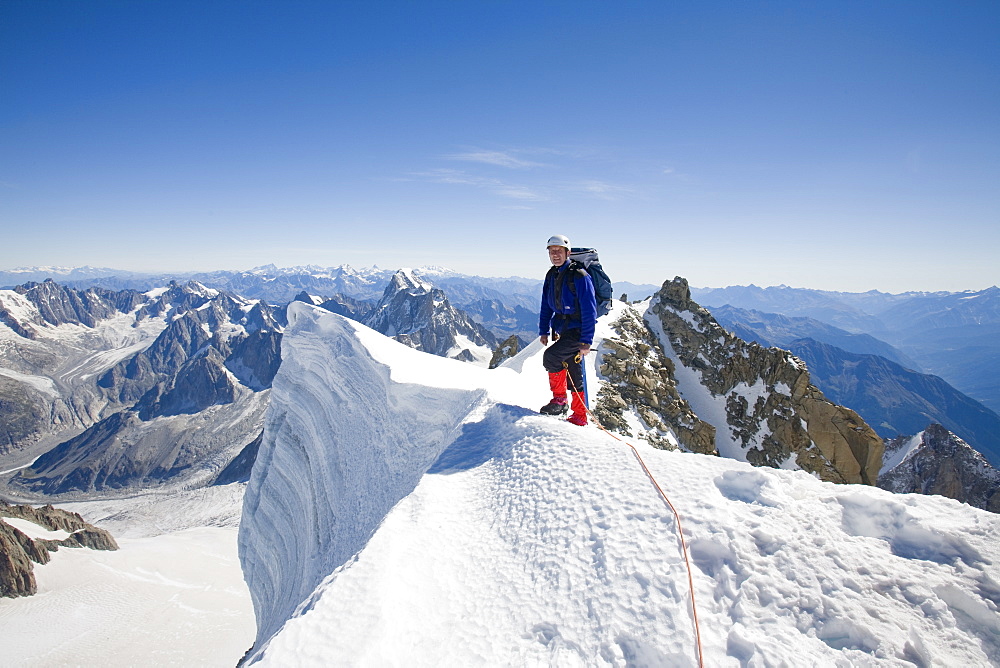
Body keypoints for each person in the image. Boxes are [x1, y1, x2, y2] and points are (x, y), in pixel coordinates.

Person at [538, 234, 598, 426]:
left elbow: (590, 310)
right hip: (562, 329)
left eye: (559, 251)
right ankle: (579, 416)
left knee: (551, 357)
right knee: (573, 370)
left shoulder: (579, 276)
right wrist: (544, 330)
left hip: (578, 330)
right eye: (552, 251)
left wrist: (586, 341)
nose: (555, 255)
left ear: (568, 253)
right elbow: (546, 305)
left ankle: (560, 401)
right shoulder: (551, 275)